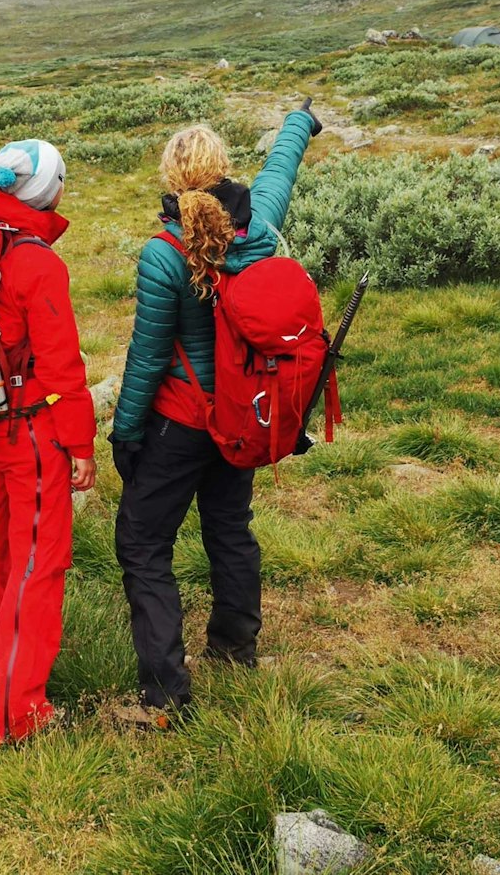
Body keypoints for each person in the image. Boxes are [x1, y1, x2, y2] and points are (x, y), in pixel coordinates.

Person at [110, 107, 320, 726]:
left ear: (171, 179)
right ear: (224, 169)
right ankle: (234, 649)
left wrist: (126, 433)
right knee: (229, 527)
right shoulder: (260, 224)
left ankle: (166, 693)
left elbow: (148, 356)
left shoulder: (164, 254)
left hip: (180, 421)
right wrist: (300, 121)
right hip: (244, 415)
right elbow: (280, 170)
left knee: (144, 543)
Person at [0, 138, 97, 745]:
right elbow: (61, 367)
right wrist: (80, 444)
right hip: (28, 430)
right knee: (39, 562)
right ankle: (17, 711)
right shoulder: (37, 262)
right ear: (48, 194)